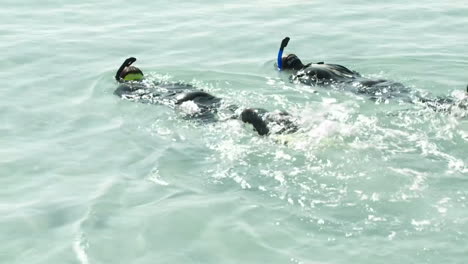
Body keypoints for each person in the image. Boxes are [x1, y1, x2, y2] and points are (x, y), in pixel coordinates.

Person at [114, 57, 299, 135]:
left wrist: (118, 78)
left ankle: (248, 119)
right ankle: (277, 117)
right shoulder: (163, 82)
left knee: (219, 121)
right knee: (227, 107)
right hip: (203, 95)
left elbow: (121, 93)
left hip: (184, 104)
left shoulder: (130, 89)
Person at [276, 37, 468, 112]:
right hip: (375, 80)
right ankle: (457, 103)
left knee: (414, 101)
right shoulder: (325, 64)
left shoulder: (302, 75)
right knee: (417, 98)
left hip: (359, 88)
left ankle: (455, 109)